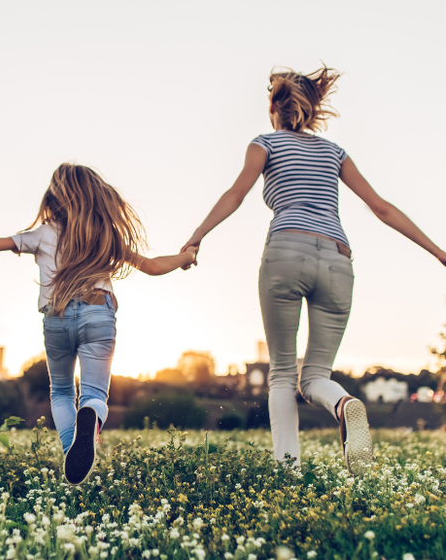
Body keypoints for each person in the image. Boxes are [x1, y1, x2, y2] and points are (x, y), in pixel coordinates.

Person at [181, 66, 446, 474]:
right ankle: (342, 402)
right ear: (314, 106)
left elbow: (236, 193)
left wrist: (196, 236)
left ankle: (289, 470)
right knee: (316, 375)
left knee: (283, 375)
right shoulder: (335, 152)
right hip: (339, 259)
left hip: (287, 249)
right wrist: (438, 252)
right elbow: (382, 208)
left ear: (274, 105)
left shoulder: (264, 144)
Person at [0, 163, 197, 485]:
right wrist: (185, 257)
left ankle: (73, 451)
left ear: (54, 198)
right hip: (99, 313)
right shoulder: (106, 235)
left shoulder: (43, 234)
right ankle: (91, 418)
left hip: (57, 318)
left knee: (61, 392)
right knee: (94, 394)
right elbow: (152, 266)